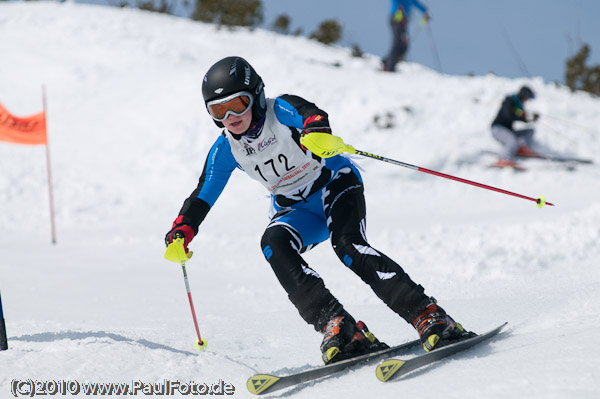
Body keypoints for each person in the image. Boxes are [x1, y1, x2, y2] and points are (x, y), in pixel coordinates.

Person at [165, 56, 475, 364]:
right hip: (297, 210)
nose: (231, 116)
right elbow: (203, 194)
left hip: (334, 185)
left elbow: (311, 114)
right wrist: (182, 229)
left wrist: (315, 132)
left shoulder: (279, 110)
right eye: (219, 110)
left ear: (256, 96)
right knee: (273, 243)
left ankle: (429, 315)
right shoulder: (225, 149)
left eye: (239, 104)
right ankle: (340, 327)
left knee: (348, 246)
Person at [491, 86, 540, 169]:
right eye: (527, 98)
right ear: (524, 95)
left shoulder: (519, 106)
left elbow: (521, 117)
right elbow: (509, 115)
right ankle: (504, 159)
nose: (527, 101)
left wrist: (530, 118)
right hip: (498, 128)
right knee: (511, 140)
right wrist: (523, 117)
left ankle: (522, 149)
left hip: (508, 130)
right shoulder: (509, 101)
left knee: (530, 131)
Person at [383, 0, 430, 72]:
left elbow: (417, 4)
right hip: (396, 18)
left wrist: (426, 12)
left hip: (403, 22)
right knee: (397, 43)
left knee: (404, 46)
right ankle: (389, 67)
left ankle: (386, 62)